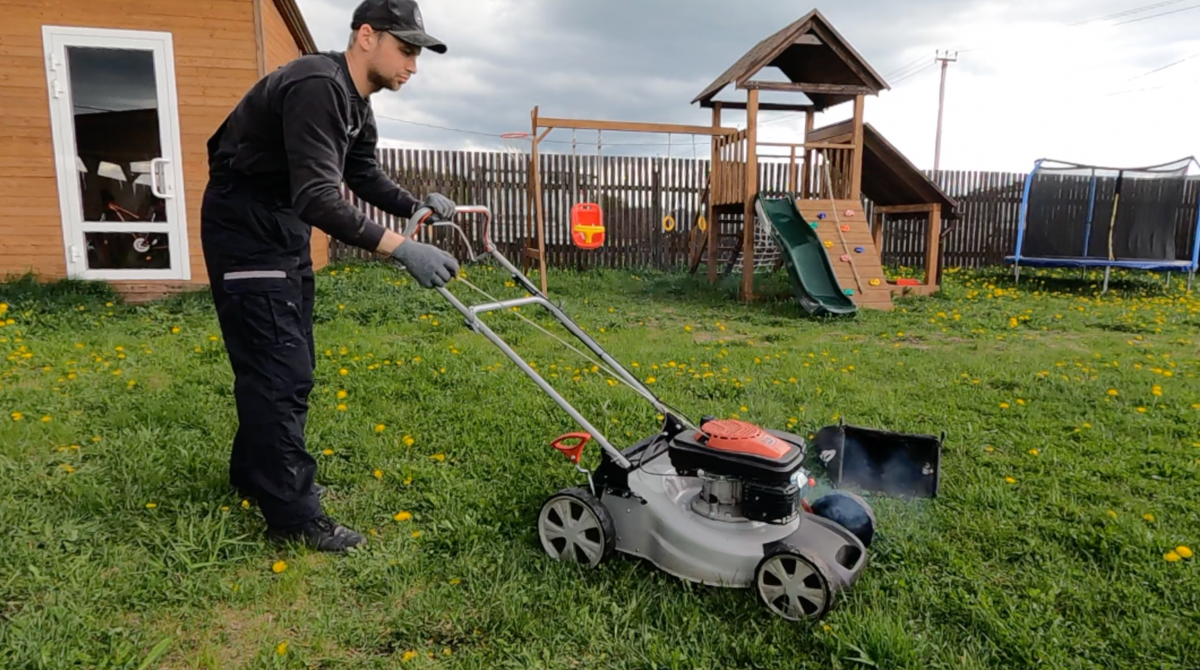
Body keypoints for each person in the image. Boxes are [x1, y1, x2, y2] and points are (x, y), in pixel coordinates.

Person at [200, 0, 458, 552]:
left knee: (285, 363)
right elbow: (318, 195)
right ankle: (293, 516)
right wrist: (400, 250)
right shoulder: (318, 84)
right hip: (245, 227)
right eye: (406, 48)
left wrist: (417, 206)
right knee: (279, 369)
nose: (413, 64)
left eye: (418, 53)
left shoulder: (355, 102)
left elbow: (360, 174)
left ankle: (255, 474)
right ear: (367, 36)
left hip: (281, 229)